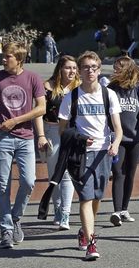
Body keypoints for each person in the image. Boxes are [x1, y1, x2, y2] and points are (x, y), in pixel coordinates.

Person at [0, 42, 47, 249]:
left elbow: (41, 108)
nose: (4, 59)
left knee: (28, 182)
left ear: (19, 59)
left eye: (8, 56)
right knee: (3, 186)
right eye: (4, 56)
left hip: (25, 137)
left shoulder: (32, 78)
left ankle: (16, 217)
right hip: (1, 137)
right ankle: (6, 230)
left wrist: (16, 121)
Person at [58, 51, 122, 260]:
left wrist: (116, 143)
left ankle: (84, 231)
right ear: (80, 70)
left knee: (97, 197)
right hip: (81, 154)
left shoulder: (108, 94)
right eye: (85, 67)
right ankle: (91, 243)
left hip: (103, 153)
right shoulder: (72, 96)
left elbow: (118, 128)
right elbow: (63, 129)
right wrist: (78, 138)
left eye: (94, 67)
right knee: (85, 196)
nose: (90, 71)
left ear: (99, 68)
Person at [107, 57, 139, 227]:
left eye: (119, 67)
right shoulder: (111, 89)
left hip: (136, 138)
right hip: (118, 139)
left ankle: (124, 209)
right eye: (115, 67)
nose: (116, 70)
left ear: (128, 69)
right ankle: (116, 211)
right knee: (117, 172)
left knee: (130, 173)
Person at [42, 55, 81, 230]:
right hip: (53, 131)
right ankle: (57, 209)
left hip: (72, 132)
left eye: (74, 68)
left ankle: (65, 213)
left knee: (67, 174)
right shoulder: (47, 87)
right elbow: (39, 113)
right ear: (60, 69)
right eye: (68, 68)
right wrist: (41, 135)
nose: (71, 71)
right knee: (54, 175)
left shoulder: (80, 87)